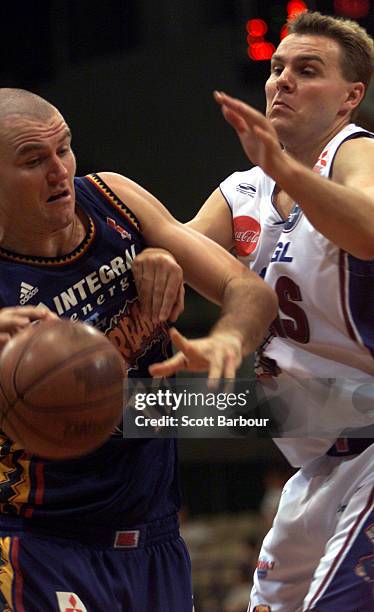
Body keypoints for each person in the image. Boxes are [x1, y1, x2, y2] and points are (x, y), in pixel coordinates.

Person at [0, 88, 276, 612]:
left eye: (64, 149)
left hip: (157, 546)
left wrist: (226, 339)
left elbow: (250, 291)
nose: (59, 171)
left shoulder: (115, 200)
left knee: (321, 407)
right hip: (45, 550)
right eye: (34, 160)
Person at [148, 11, 374, 612]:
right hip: (316, 461)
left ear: (352, 96)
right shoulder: (241, 191)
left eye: (307, 70)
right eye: (277, 69)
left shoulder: (358, 155)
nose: (282, 82)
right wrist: (151, 260)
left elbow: (371, 228)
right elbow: (178, 246)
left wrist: (287, 169)